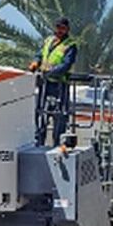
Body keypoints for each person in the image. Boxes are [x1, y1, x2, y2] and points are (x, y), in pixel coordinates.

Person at [29, 17, 78, 145]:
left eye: (62, 28)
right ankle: (38, 141)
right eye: (58, 27)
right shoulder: (48, 41)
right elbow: (40, 54)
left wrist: (50, 72)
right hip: (45, 85)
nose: (59, 31)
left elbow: (66, 65)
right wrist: (35, 62)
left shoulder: (70, 45)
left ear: (67, 29)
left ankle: (58, 143)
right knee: (40, 113)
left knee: (59, 115)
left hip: (59, 86)